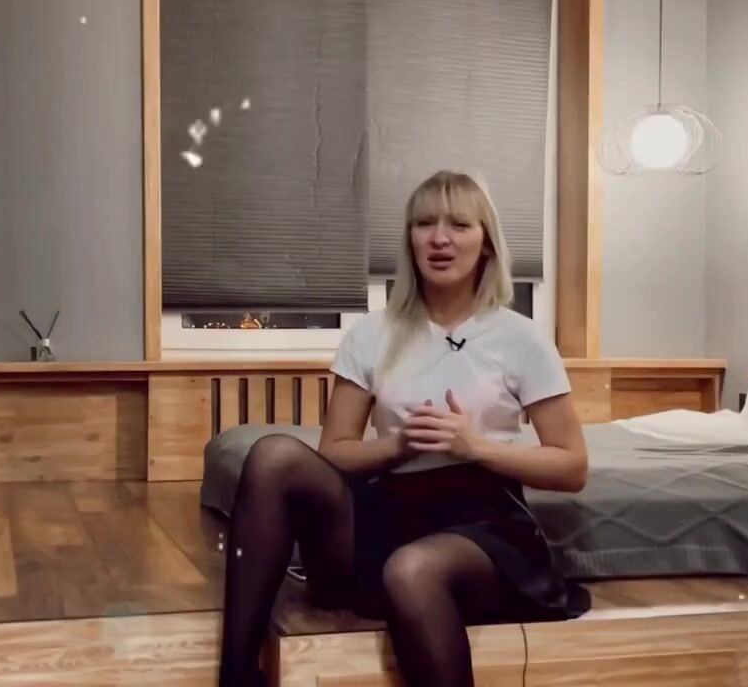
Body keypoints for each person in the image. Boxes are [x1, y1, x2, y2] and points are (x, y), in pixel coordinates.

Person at [216, 171, 590, 687]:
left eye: (459, 224)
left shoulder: (522, 339)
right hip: (384, 511)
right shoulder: (371, 334)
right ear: (409, 238)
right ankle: (237, 676)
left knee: (413, 569)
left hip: (481, 519)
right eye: (424, 223)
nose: (440, 238)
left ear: (485, 243)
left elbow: (572, 466)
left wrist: (474, 446)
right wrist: (399, 446)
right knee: (274, 455)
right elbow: (336, 451)